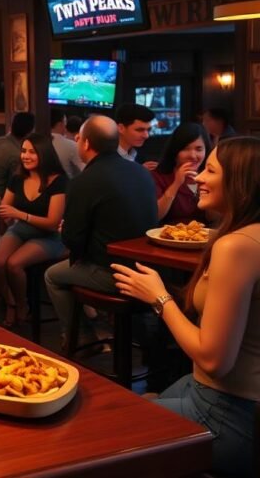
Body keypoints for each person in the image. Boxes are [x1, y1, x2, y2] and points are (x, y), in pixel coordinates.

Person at [113, 136, 260, 478]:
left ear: (240, 182)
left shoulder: (236, 247)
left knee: (110, 435)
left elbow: (214, 360)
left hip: (230, 413)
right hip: (213, 393)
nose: (199, 177)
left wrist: (159, 298)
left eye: (210, 169)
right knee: (143, 401)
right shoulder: (241, 234)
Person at [44, 116, 158, 345]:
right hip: (150, 270)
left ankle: (82, 339)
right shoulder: (140, 172)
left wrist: (65, 228)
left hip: (113, 273)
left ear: (85, 144)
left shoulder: (83, 181)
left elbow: (73, 241)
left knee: (52, 276)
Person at [0, 133, 68, 327]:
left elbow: (52, 223)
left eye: (32, 152)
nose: (25, 156)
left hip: (50, 236)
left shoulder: (59, 181)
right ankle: (11, 303)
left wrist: (19, 214)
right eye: (23, 151)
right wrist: (2, 212)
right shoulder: (18, 178)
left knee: (14, 264)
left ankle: (23, 305)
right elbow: (8, 211)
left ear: (44, 154)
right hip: (22, 229)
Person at [152, 123, 211, 225]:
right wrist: (176, 184)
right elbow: (156, 215)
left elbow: (214, 218)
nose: (193, 156)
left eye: (199, 149)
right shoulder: (158, 175)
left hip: (203, 236)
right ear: (175, 151)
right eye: (185, 149)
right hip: (168, 235)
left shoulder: (210, 175)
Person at [116, 103, 157, 169]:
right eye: (139, 130)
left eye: (148, 130)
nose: (146, 136)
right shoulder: (106, 157)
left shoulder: (139, 154)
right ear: (121, 128)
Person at [50, 108, 83, 178]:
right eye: (65, 123)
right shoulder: (72, 145)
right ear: (60, 124)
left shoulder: (38, 142)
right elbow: (84, 170)